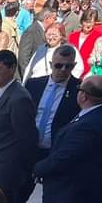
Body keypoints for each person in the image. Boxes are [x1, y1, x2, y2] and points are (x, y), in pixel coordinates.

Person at [32, 74, 102, 203]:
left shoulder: (89, 124)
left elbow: (64, 158)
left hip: (72, 196)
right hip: (81, 192)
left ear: (83, 96)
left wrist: (37, 169)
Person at [0, 50, 38, 203]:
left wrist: (24, 173)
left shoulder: (19, 98)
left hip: (8, 173)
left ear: (11, 68)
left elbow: (27, 139)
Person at [25, 44, 82, 172]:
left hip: (56, 151)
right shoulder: (33, 84)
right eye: (58, 65)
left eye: (68, 66)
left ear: (74, 66)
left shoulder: (79, 89)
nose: (62, 70)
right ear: (51, 64)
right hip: (30, 148)